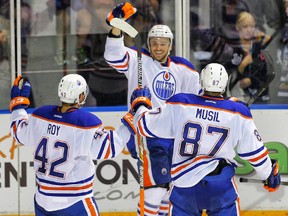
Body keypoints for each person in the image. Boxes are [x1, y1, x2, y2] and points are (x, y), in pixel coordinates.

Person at [130, 63, 281, 216]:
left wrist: (141, 104)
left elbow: (144, 126)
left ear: (201, 80)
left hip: (184, 186)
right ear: (225, 83)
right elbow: (255, 152)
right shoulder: (238, 112)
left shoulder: (180, 103)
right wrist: (269, 174)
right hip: (220, 187)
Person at [104, 2, 202, 215]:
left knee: (168, 189)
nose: (158, 47)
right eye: (154, 43)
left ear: (171, 45)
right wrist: (117, 26)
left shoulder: (183, 69)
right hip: (145, 134)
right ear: (148, 43)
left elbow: (200, 98)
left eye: (163, 44)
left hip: (174, 137)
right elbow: (112, 54)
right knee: (155, 189)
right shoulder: (137, 59)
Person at [10, 74, 132, 215]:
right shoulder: (86, 123)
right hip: (74, 201)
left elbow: (18, 133)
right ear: (80, 97)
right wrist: (131, 120)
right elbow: (109, 148)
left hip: (42, 201)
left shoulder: (40, 116)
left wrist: (18, 107)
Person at [225, 11, 271, 103]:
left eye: (252, 26)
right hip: (237, 98)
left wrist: (252, 81)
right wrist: (242, 65)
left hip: (259, 97)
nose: (249, 30)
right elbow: (227, 75)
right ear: (238, 28)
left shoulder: (259, 47)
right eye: (245, 26)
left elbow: (267, 74)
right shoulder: (232, 49)